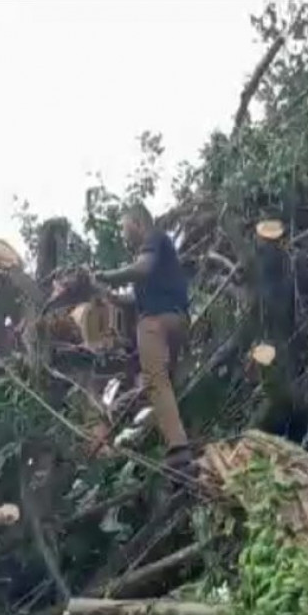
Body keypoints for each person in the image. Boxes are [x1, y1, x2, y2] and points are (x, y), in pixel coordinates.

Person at [94, 201, 193, 474]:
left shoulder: (153, 239)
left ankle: (178, 450)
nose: (124, 236)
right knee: (164, 384)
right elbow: (134, 298)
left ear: (137, 224)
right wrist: (110, 296)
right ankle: (179, 440)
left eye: (125, 228)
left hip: (155, 323)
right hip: (178, 321)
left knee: (155, 381)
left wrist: (107, 275)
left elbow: (142, 268)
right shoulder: (161, 251)